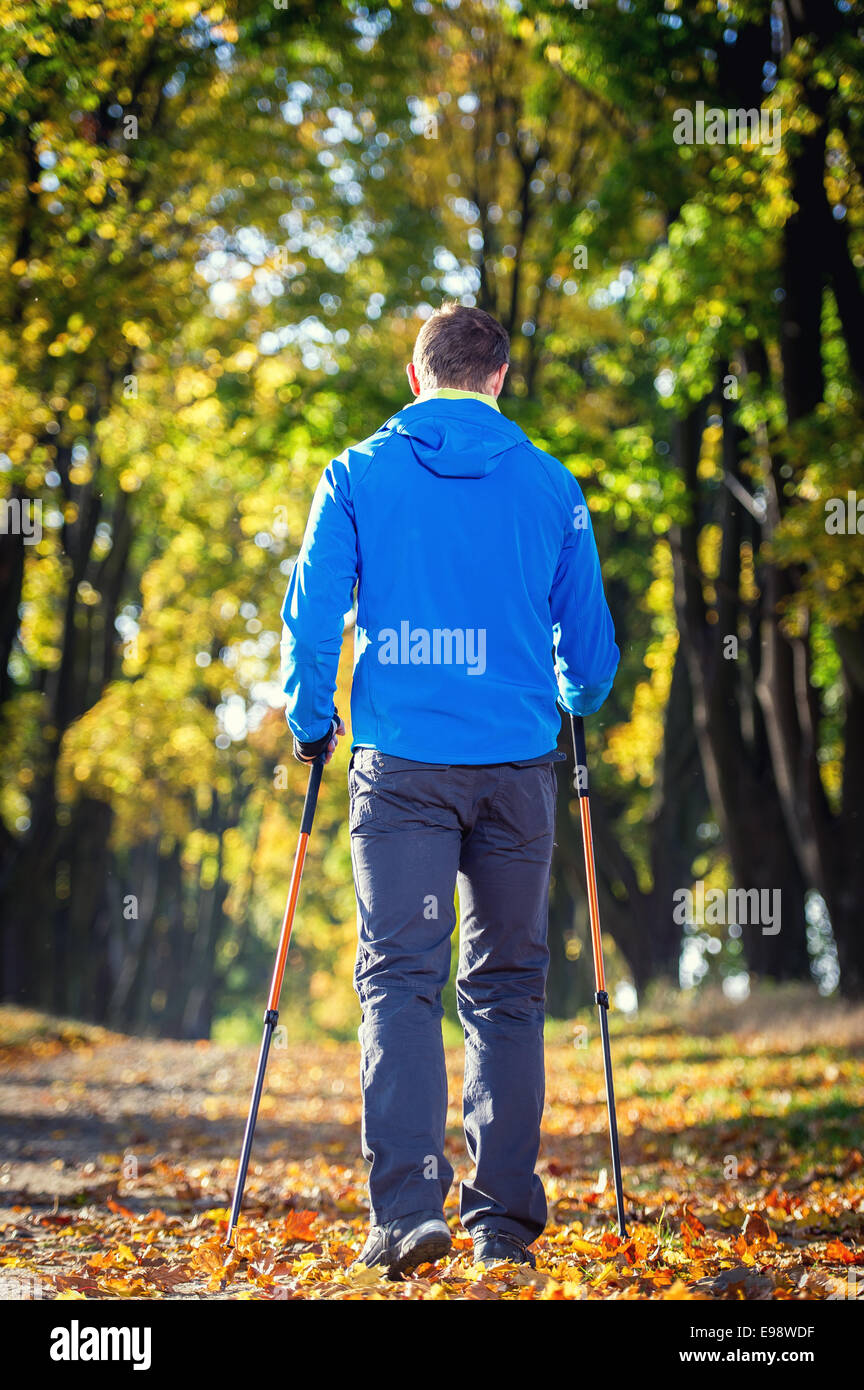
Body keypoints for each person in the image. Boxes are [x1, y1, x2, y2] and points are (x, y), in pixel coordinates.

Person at [280, 301, 619, 1277]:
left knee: (400, 981)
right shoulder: (554, 485)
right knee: (507, 989)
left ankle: (405, 1211)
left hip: (403, 771)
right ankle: (503, 1222)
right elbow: (589, 654)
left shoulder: (354, 474)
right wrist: (573, 695)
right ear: (500, 379)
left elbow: (312, 616)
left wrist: (311, 718)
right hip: (517, 769)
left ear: (415, 375)